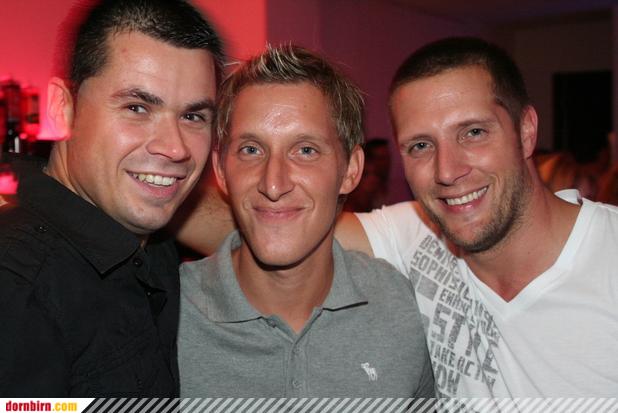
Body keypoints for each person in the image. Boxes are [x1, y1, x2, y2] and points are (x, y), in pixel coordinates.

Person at [176, 37, 618, 398]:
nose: (448, 170)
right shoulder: (416, 240)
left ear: (525, 131)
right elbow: (283, 222)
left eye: (473, 132)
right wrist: (148, 189)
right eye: (421, 145)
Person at [177, 44, 434, 397]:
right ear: (221, 170)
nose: (273, 183)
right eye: (251, 150)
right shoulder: (166, 315)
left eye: (305, 151)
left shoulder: (403, 310)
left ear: (351, 170)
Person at [0, 0, 223, 396]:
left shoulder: (151, 238)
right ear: (64, 108)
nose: (175, 148)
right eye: (137, 107)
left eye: (193, 116)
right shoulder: (19, 285)